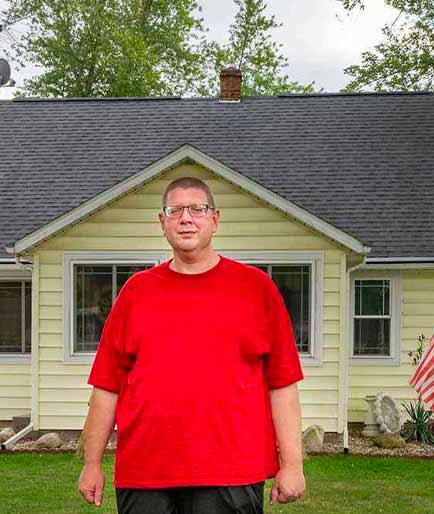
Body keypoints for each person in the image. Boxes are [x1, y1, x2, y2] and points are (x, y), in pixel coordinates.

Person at [78, 176, 306, 514]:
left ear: (215, 219)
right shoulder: (135, 293)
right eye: (175, 210)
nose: (186, 218)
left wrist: (293, 464)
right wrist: (91, 463)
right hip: (145, 472)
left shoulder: (257, 289)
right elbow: (106, 387)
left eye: (197, 209)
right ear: (162, 222)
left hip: (231, 472)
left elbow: (283, 385)